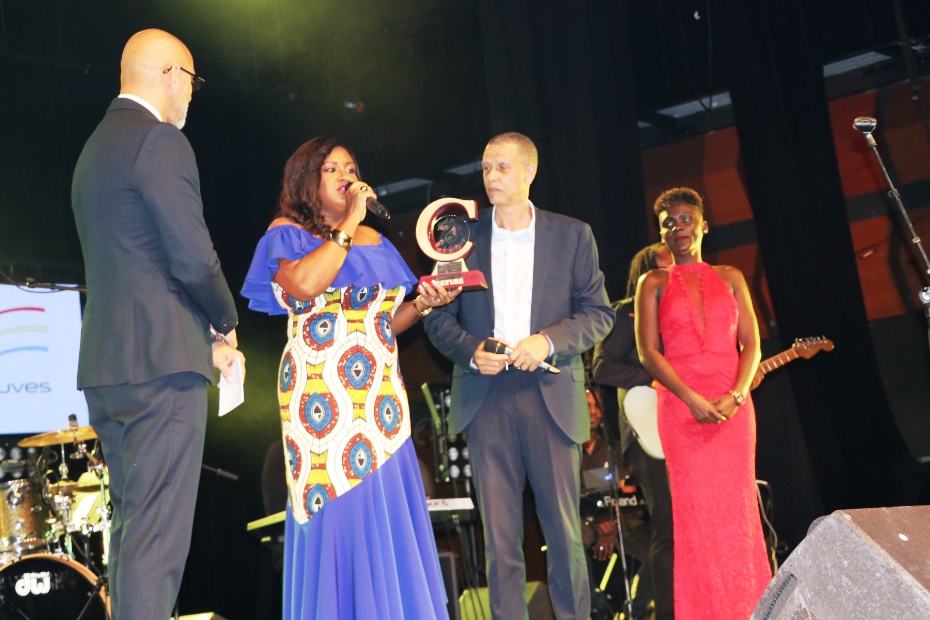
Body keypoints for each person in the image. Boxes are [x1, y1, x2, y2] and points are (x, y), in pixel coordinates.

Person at [241, 137, 455, 619]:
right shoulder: (287, 233)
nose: (346, 175)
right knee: (336, 503)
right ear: (307, 180)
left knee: (382, 503)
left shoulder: (375, 240)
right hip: (322, 391)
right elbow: (304, 285)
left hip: (379, 391)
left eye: (351, 167)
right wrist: (349, 223)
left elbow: (383, 322)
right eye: (331, 168)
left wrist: (423, 304)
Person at [71, 29, 244, 619]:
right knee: (157, 542)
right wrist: (223, 321)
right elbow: (192, 257)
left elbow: (135, 262)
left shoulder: (95, 148)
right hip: (161, 367)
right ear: (170, 75)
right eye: (191, 81)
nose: (191, 94)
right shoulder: (160, 140)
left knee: (133, 532)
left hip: (110, 367)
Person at [423, 132, 615, 620]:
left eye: (503, 167)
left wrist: (547, 340)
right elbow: (436, 317)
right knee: (500, 539)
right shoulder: (459, 238)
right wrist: (471, 352)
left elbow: (599, 313)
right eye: (486, 168)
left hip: (550, 391)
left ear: (530, 172)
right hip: (485, 396)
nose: (491, 177)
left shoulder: (572, 235)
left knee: (565, 534)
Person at [635, 188, 770, 619]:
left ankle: (751, 609)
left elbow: (752, 344)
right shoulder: (652, 283)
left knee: (739, 512)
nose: (678, 228)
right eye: (668, 223)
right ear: (661, 234)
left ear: (704, 225)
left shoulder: (731, 276)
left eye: (686, 219)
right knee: (696, 518)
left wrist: (737, 394)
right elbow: (648, 353)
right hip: (681, 408)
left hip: (734, 410)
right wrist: (691, 399)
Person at [593, 242, 675, 620]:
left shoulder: (684, 311)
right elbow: (602, 367)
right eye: (661, 269)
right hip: (647, 433)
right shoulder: (627, 313)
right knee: (669, 526)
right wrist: (654, 376)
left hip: (685, 429)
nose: (671, 276)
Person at [580, 388, 652, 620]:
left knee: (657, 551)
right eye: (587, 406)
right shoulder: (567, 451)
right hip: (584, 522)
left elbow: (628, 491)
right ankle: (596, 609)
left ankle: (634, 612)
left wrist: (611, 523)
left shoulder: (615, 449)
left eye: (596, 406)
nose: (593, 412)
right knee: (571, 547)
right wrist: (597, 520)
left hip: (621, 521)